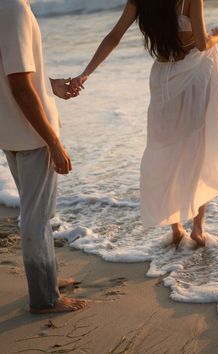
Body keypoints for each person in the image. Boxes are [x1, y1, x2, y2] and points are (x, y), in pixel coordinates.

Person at [71, 0, 218, 248]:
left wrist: (86, 72)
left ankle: (177, 228)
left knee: (164, 149)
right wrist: (217, 34)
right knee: (196, 149)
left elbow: (113, 37)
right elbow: (201, 44)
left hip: (162, 79)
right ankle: (198, 229)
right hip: (194, 73)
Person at [0, 0, 88, 313]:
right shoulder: (15, 10)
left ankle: (48, 278)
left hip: (10, 131)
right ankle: (44, 298)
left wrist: (50, 86)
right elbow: (20, 85)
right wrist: (52, 141)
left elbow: (17, 73)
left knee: (38, 213)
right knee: (36, 220)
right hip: (32, 136)